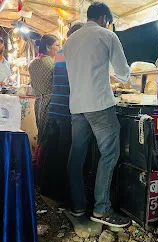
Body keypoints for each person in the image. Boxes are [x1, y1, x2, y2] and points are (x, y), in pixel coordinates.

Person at [64, 2, 131, 227]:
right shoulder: (106, 35)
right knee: (109, 154)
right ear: (104, 18)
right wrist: (114, 76)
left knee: (77, 155)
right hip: (99, 105)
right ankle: (101, 209)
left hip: (77, 106)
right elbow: (123, 72)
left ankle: (78, 205)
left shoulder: (70, 40)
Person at [41, 23, 84, 204]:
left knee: (52, 151)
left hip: (54, 108)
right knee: (64, 153)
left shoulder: (61, 52)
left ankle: (47, 189)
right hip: (66, 111)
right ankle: (61, 195)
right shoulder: (75, 52)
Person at [29, 34, 60, 147]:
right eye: (57, 45)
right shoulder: (52, 63)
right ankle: (43, 162)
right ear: (48, 47)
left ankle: (38, 160)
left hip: (38, 103)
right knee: (48, 137)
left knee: (41, 133)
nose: (59, 48)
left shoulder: (33, 63)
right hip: (50, 103)